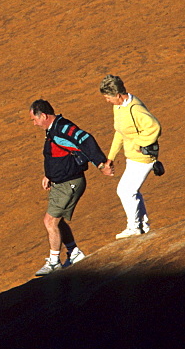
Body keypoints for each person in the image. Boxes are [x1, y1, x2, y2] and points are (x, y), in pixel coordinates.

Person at [29, 99, 112, 276]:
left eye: (34, 119)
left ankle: (54, 263)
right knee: (57, 221)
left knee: (50, 221)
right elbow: (58, 154)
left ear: (43, 116)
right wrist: (49, 175)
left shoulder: (63, 128)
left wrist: (101, 164)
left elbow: (85, 140)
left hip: (70, 183)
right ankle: (74, 253)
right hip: (60, 182)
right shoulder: (53, 129)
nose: (34, 123)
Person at [99, 75, 162, 238]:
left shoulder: (135, 109)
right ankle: (142, 225)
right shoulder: (119, 107)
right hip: (132, 157)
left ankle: (134, 227)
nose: (107, 101)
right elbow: (120, 133)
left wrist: (139, 143)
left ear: (118, 95)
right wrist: (110, 157)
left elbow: (155, 127)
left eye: (108, 97)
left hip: (143, 158)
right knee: (132, 190)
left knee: (125, 191)